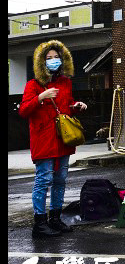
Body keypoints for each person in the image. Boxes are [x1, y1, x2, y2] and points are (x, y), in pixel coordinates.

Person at [19, 39, 88, 238]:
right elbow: (24, 110)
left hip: (63, 140)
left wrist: (76, 106)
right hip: (43, 140)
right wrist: (41, 97)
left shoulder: (66, 82)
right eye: (49, 58)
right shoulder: (33, 85)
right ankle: (39, 223)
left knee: (61, 179)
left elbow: (67, 106)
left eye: (56, 57)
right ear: (41, 62)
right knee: (43, 180)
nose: (53, 60)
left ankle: (55, 219)